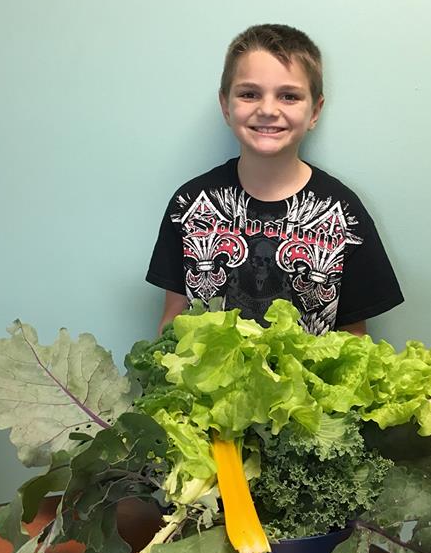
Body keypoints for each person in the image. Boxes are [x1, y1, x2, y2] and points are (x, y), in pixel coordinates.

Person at [146, 24, 404, 336]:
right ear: (225, 106)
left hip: (309, 386)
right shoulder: (190, 205)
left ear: (314, 111)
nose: (268, 109)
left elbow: (355, 341)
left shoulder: (343, 213)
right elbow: (172, 324)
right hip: (207, 386)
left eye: (289, 96)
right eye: (249, 94)